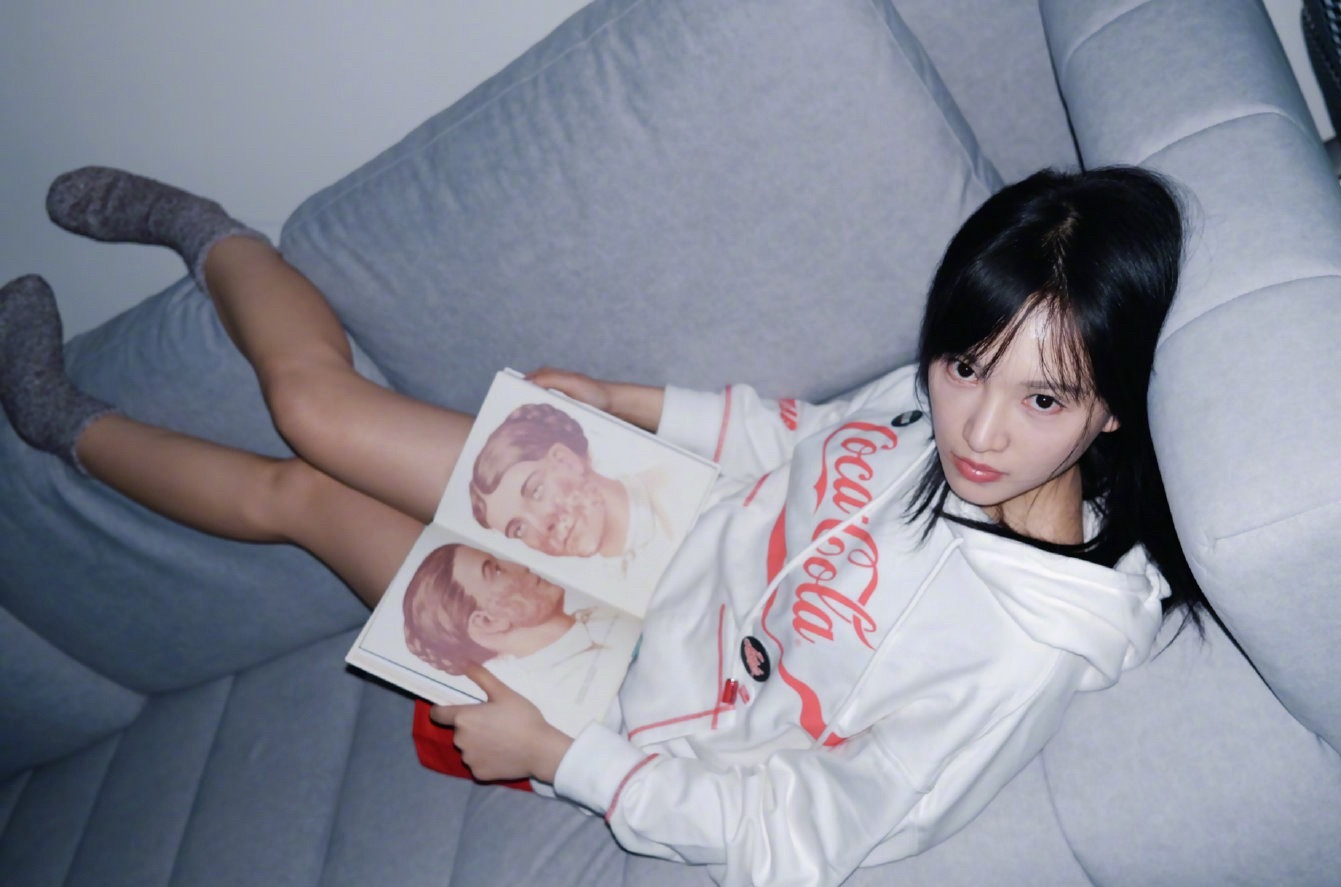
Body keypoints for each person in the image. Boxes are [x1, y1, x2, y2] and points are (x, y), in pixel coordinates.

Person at [0, 164, 1208, 886]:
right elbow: (801, 438)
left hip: (605, 693)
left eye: (1043, 399)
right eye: (963, 363)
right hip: (651, 518)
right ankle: (207, 228)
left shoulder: (1017, 648)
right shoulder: (931, 401)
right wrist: (630, 404)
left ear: (1109, 405)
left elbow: (793, 841)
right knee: (318, 413)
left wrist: (557, 752)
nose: (977, 427)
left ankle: (64, 426)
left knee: (303, 501)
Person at [400, 540, 633, 709]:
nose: (520, 565)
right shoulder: (564, 689)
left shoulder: (596, 615)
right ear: (488, 622)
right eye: (496, 571)